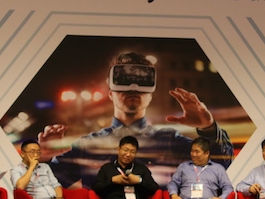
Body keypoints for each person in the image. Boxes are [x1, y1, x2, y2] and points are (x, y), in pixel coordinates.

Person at [39, 52, 234, 189]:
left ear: (150, 95)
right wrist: (45, 158)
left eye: (141, 84)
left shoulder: (170, 142)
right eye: (123, 83)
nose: (133, 88)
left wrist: (208, 128)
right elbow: (44, 187)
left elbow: (218, 169)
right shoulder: (87, 145)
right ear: (110, 94)